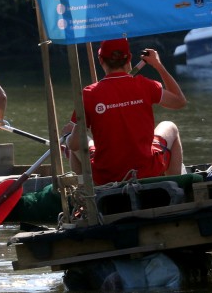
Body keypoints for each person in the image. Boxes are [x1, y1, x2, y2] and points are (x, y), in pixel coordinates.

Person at [62, 38, 187, 185]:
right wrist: (158, 66)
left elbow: (75, 144)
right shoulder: (145, 85)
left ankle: (87, 198)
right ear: (129, 58)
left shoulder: (89, 94)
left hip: (106, 177)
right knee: (170, 126)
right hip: (147, 170)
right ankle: (174, 186)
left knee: (74, 144)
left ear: (101, 60)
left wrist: (67, 137)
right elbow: (180, 101)